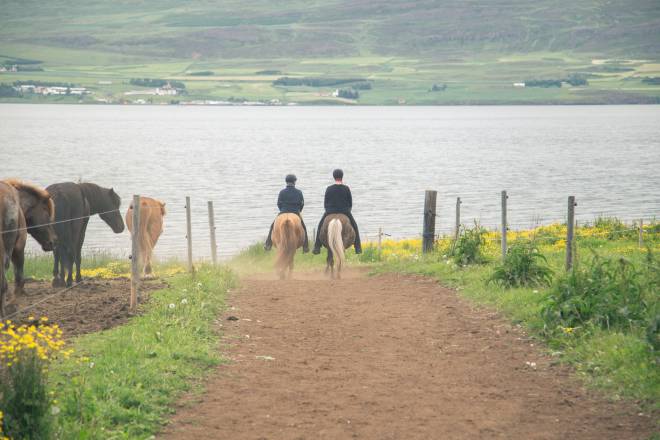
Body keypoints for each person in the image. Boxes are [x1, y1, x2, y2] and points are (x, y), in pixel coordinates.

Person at [312, 169, 362, 254]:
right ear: (342, 177)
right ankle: (358, 247)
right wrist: (347, 210)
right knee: (354, 225)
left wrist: (328, 210)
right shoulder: (346, 188)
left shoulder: (329, 188)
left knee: (320, 225)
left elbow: (325, 202)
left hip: (330, 211)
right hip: (345, 211)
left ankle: (317, 246)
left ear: (333, 177)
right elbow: (350, 202)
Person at [264, 174, 309, 253]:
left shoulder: (282, 192)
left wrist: (282, 210)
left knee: (272, 226)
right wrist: (298, 211)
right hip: (295, 212)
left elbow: (278, 204)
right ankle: (305, 246)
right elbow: (302, 204)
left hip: (283, 212)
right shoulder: (299, 192)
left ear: (286, 182)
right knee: (304, 227)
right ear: (294, 181)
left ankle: (268, 244)